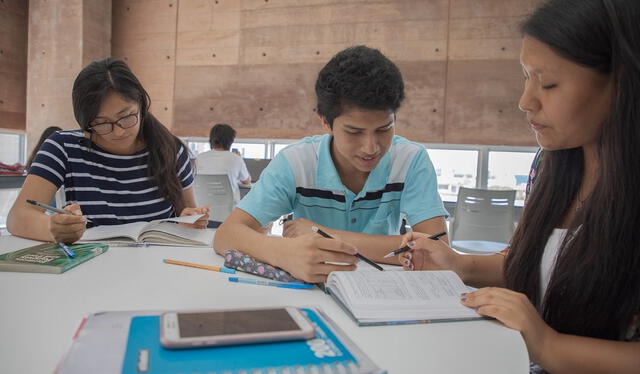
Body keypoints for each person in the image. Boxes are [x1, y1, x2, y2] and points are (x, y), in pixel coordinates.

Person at [399, 0, 640, 372]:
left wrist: (549, 345)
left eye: (548, 83)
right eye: (525, 77)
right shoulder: (550, 164)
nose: (525, 101)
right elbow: (552, 263)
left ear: (621, 82)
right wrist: (461, 266)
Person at [214, 46, 448, 283]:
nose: (371, 147)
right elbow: (226, 235)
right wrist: (284, 253)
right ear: (325, 122)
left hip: (382, 289)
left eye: (384, 129)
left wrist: (321, 234)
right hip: (310, 291)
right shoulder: (296, 162)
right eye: (354, 132)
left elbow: (436, 252)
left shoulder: (411, 160)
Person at [7, 58, 209, 243]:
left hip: (158, 262)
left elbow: (187, 213)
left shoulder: (170, 149)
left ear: (140, 103)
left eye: (127, 116)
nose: (119, 131)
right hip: (92, 264)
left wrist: (190, 222)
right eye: (102, 123)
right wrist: (52, 227)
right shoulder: (63, 147)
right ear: (85, 122)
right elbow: (18, 217)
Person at [196, 123, 251, 205]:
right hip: (229, 211)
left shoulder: (199, 158)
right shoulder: (236, 158)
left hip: (203, 210)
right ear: (230, 141)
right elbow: (247, 182)